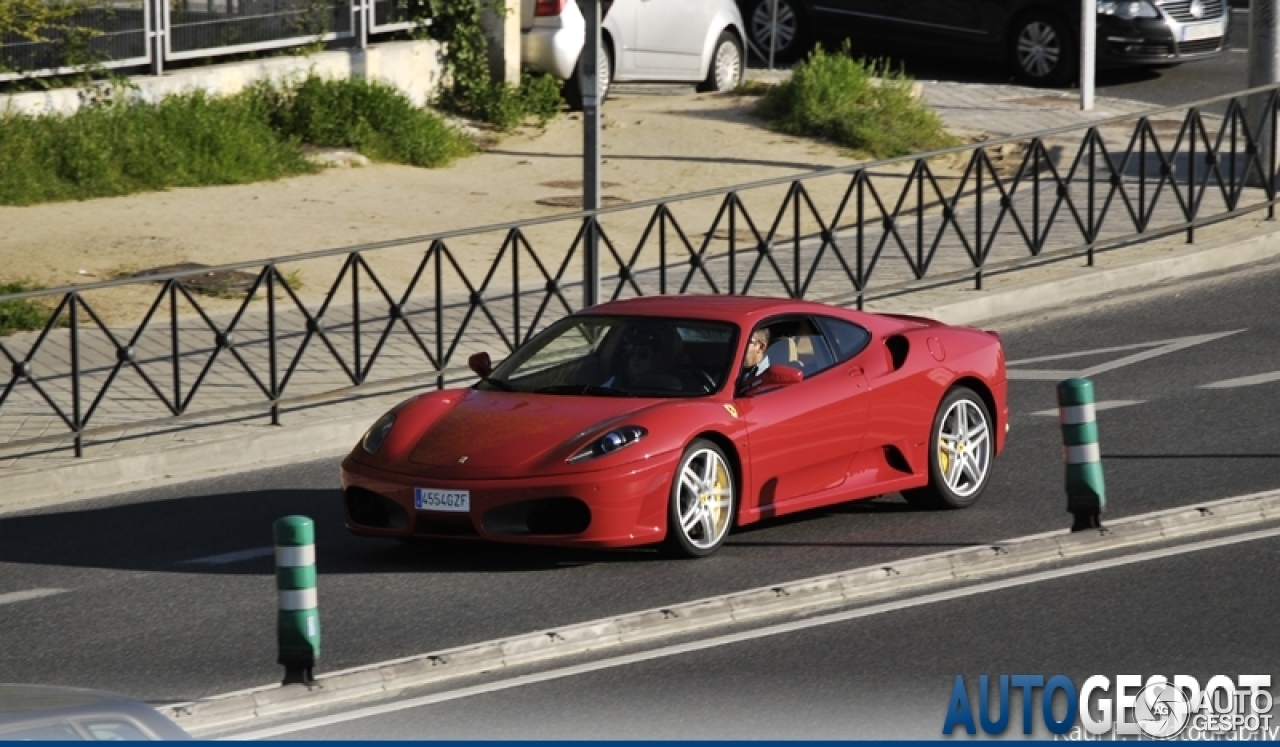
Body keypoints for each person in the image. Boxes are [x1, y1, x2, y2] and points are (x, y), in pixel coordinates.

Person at [604, 324, 684, 391]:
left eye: (642, 354)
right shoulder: (615, 383)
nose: (635, 358)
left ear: (655, 357)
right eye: (631, 354)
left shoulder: (670, 386)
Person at [738, 327, 771, 393]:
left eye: (745, 341)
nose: (738, 346)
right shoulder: (732, 368)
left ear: (761, 346)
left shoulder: (769, 381)